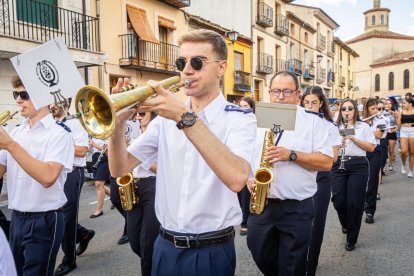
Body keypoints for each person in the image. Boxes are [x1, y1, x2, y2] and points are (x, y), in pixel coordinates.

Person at [108, 29, 257, 275]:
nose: (187, 70)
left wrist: (182, 117)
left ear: (221, 68)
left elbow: (236, 178)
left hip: (211, 251)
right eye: (181, 62)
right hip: (165, 246)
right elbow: (119, 168)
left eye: (197, 62)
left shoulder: (239, 119)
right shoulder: (164, 120)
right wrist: (118, 124)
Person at [246, 71, 333, 276]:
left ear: (297, 95)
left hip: (297, 208)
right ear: (269, 92)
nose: (281, 96)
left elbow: (327, 162)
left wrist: (291, 155)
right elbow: (241, 155)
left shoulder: (313, 122)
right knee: (259, 253)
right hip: (262, 204)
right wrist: (247, 178)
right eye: (276, 91)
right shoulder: (254, 120)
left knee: (292, 266)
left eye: (287, 91)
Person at [0, 76, 74, 275]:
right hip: (16, 218)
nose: (17, 100)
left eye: (24, 95)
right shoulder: (16, 132)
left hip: (45, 219)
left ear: (44, 98)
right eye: (16, 94)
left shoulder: (60, 134)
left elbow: (48, 176)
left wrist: (9, 145)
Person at [49, 100, 95, 275]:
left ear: (65, 104)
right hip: (55, 171)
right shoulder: (51, 124)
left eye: (55, 104)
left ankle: (69, 261)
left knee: (67, 217)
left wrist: (58, 143)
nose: (52, 106)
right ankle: (83, 234)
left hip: (73, 172)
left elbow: (82, 150)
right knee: (57, 215)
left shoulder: (76, 123)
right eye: (50, 104)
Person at [301, 86, 341, 276]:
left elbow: (332, 158)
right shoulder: (295, 122)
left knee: (316, 224)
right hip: (297, 176)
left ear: (321, 104)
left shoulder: (329, 126)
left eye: (314, 103)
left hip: (320, 178)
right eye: (306, 102)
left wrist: (303, 156)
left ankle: (310, 268)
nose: (309, 106)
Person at [331, 99, 376, 251]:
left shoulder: (363, 126)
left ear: (355, 110)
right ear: (340, 111)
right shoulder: (334, 127)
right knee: (338, 201)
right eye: (344, 109)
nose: (347, 111)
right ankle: (346, 223)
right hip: (339, 164)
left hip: (358, 165)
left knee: (355, 203)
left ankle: (351, 238)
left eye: (350, 108)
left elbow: (370, 148)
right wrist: (338, 145)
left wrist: (353, 138)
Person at [123, 111, 160, 276]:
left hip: (153, 185)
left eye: (142, 113)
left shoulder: (160, 135)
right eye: (136, 113)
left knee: (148, 243)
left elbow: (163, 168)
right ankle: (157, 262)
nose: (137, 116)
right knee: (134, 239)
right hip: (134, 185)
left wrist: (138, 157)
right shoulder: (136, 138)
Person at [362, 98, 386, 224]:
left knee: (372, 181)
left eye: (376, 108)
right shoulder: (359, 119)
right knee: (360, 181)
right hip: (360, 152)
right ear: (366, 109)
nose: (375, 111)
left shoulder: (382, 120)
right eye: (372, 109)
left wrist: (364, 128)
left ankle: (370, 211)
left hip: (374, 152)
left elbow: (378, 135)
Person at [238, 96, 255, 236]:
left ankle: (246, 222)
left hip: (249, 161)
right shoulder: (236, 120)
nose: (243, 109)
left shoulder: (255, 121)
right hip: (237, 161)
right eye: (241, 106)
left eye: (246, 106)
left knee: (245, 194)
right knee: (238, 192)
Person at [90, 137, 111, 217]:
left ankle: (99, 210)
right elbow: (88, 149)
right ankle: (115, 197)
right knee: (98, 184)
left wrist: (94, 144)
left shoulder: (107, 132)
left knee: (99, 184)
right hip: (95, 158)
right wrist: (88, 144)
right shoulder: (92, 134)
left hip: (104, 158)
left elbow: (107, 149)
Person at [397, 97, 414, 177]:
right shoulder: (401, 111)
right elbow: (398, 124)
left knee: (412, 152)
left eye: (404, 103)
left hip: (413, 131)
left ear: (410, 104)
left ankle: (410, 170)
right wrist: (398, 116)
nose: (402, 104)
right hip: (403, 131)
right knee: (403, 151)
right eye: (402, 103)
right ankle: (403, 165)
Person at [385, 98, 398, 172]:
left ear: (392, 105)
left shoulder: (395, 112)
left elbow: (398, 124)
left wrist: (395, 129)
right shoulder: (382, 112)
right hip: (384, 133)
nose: (388, 105)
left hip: (392, 133)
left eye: (390, 103)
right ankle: (383, 165)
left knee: (391, 150)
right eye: (387, 103)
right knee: (384, 151)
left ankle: (390, 165)